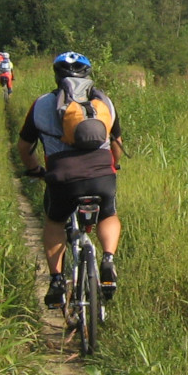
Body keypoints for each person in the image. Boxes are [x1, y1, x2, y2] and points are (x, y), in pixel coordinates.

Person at [17, 51, 124, 308]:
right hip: (101, 174)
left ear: (57, 76)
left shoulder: (42, 104)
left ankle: (56, 280)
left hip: (62, 176)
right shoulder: (103, 102)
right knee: (108, 214)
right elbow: (116, 142)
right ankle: (108, 259)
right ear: (88, 74)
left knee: (55, 221)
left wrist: (35, 170)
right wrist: (114, 165)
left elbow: (24, 146)